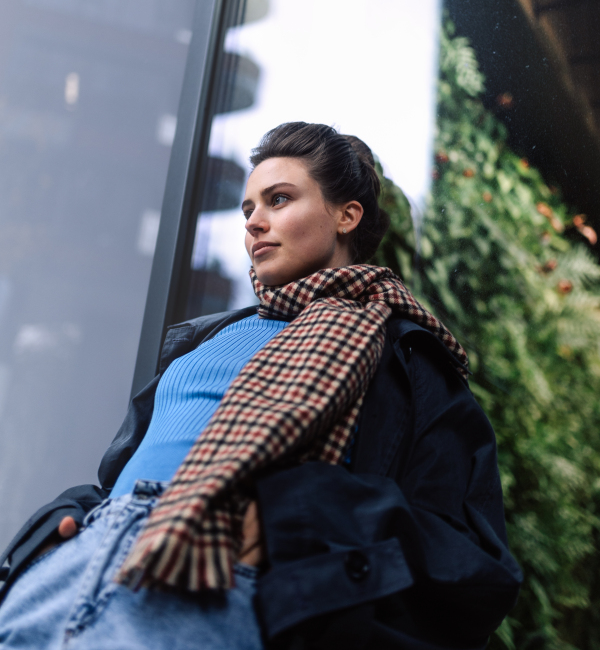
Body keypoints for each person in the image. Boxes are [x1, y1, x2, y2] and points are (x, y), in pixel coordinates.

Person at [0, 122, 522, 650]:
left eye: (278, 199)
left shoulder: (404, 357)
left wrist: (300, 516)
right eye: (248, 209)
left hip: (210, 577)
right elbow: (122, 473)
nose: (254, 223)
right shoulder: (207, 337)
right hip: (76, 561)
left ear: (347, 216)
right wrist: (59, 522)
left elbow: (469, 559)